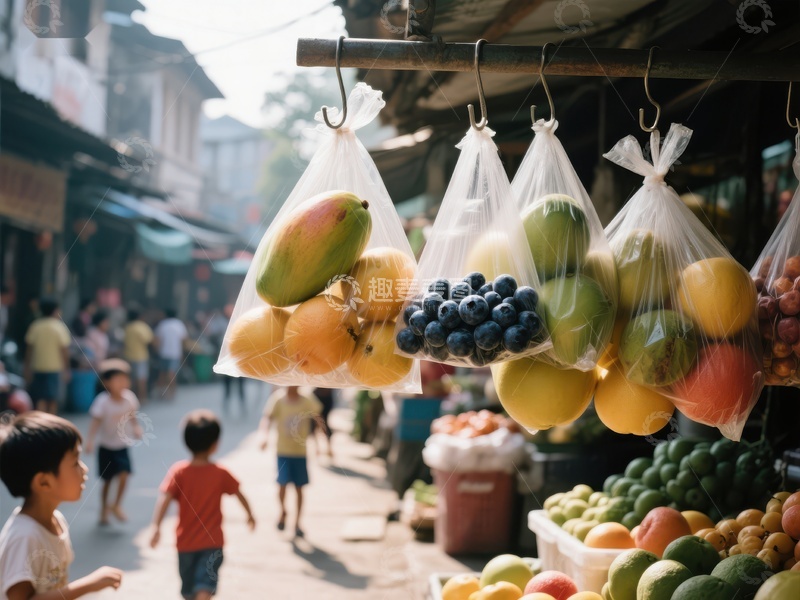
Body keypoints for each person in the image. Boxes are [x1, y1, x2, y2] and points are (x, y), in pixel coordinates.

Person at [0, 411, 123, 597]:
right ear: (44, 482)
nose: (85, 468)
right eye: (75, 462)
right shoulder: (24, 537)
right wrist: (88, 585)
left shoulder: (55, 519)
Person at [149, 410, 255, 600]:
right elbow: (239, 494)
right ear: (215, 445)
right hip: (212, 543)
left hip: (185, 544)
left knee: (192, 590)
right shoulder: (220, 473)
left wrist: (156, 526)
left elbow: (164, 499)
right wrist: (250, 515)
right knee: (202, 587)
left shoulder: (179, 472)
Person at [85, 360, 142, 526]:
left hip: (122, 446)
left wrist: (136, 428)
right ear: (107, 383)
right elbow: (95, 423)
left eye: (125, 379)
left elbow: (133, 416)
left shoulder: (129, 398)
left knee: (125, 474)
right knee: (107, 481)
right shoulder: (102, 402)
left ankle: (116, 505)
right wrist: (90, 441)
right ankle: (104, 509)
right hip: (106, 447)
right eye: (118, 379)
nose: (123, 383)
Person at [259, 386, 321, 537]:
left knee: (299, 489)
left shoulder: (307, 400)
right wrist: (264, 436)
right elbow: (267, 417)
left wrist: (321, 443)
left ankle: (298, 522)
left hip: (300, 452)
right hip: (283, 452)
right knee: (282, 485)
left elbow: (317, 419)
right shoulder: (278, 399)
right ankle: (283, 511)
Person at [23, 298, 71, 414]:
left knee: (40, 397)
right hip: (54, 368)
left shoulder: (35, 326)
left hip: (37, 367)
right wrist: (67, 369)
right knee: (53, 398)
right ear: (55, 311)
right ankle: (51, 422)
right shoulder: (59, 327)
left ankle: (41, 422)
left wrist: (27, 368)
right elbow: (64, 350)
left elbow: (29, 350)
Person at [154, 309, 187, 400]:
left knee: (162, 374)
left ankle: (161, 393)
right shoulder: (179, 324)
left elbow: (157, 339)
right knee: (172, 374)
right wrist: (182, 352)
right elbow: (183, 340)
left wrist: (157, 351)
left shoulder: (162, 324)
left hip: (163, 353)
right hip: (175, 353)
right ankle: (172, 393)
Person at [123, 309, 153, 403]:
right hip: (141, 356)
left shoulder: (127, 327)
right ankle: (142, 398)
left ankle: (131, 399)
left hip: (128, 356)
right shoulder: (142, 326)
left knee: (131, 379)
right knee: (141, 379)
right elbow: (148, 340)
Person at [310, 387, 334, 459]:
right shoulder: (316, 393)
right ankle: (318, 449)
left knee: (324, 427)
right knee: (315, 427)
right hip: (319, 401)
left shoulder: (327, 393)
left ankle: (326, 449)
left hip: (324, 402)